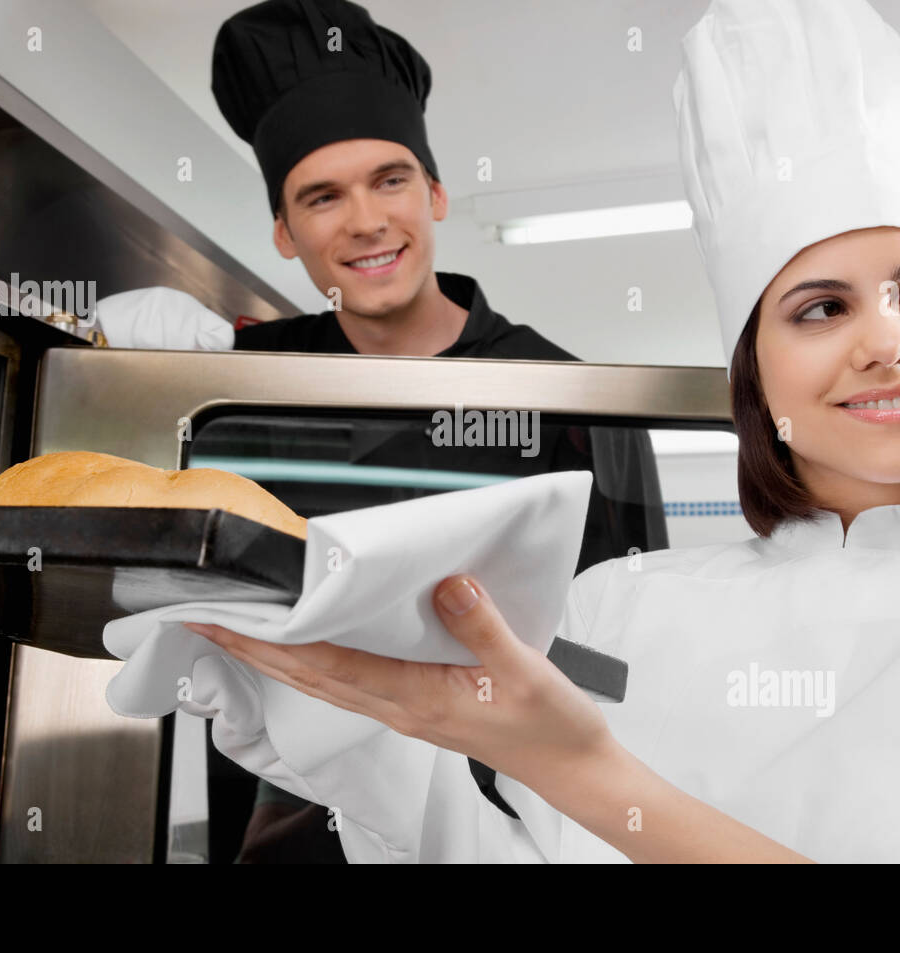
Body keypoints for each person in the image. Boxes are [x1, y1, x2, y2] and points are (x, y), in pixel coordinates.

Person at [182, 0, 900, 863]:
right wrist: (340, 750)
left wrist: (581, 764)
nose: (890, 339)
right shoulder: (619, 612)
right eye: (820, 308)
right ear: (752, 372)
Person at [206, 0, 667, 862]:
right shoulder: (237, 390)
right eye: (322, 197)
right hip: (292, 820)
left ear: (437, 192)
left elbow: (624, 663)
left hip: (513, 828)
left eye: (390, 180)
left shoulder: (569, 402)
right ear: (283, 230)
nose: (367, 221)